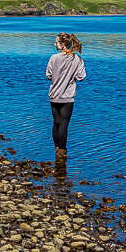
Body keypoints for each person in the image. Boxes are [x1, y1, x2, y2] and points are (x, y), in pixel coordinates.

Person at [45, 32, 86, 161]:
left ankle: (56, 148)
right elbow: (81, 77)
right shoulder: (77, 59)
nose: (54, 44)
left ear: (63, 44)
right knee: (64, 124)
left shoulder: (53, 58)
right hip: (68, 97)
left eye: (56, 42)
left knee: (56, 122)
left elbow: (48, 75)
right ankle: (62, 151)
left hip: (54, 96)